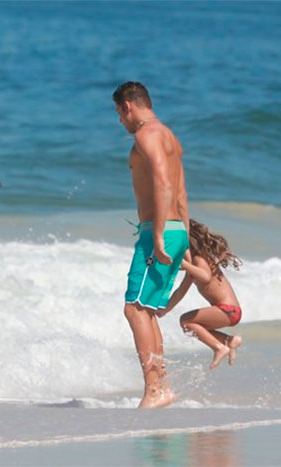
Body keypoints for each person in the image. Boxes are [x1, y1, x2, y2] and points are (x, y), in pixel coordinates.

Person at [114, 81, 190, 408]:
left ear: (128, 106)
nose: (120, 121)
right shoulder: (169, 135)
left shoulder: (147, 135)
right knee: (148, 311)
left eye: (119, 113)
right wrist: (184, 237)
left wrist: (157, 234)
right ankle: (163, 386)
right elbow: (181, 190)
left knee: (134, 309)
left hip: (158, 231)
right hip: (176, 229)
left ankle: (154, 390)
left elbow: (162, 181)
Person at [157, 219, 243, 370]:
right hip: (229, 311)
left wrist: (185, 265)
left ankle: (219, 347)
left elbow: (205, 277)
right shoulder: (193, 269)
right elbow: (180, 292)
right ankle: (228, 340)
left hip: (227, 310)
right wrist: (165, 310)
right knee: (190, 325)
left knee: (186, 320)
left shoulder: (200, 260)